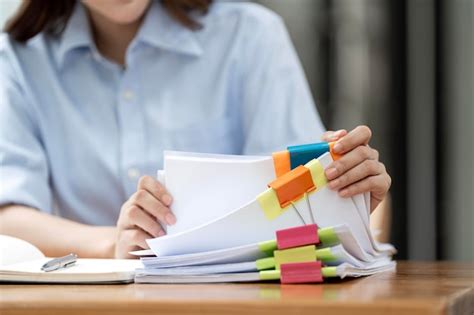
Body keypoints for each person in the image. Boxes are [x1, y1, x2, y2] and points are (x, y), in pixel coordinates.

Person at [0, 0, 391, 258]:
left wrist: (347, 198)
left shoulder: (250, 36)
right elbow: (8, 215)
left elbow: (305, 195)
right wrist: (112, 243)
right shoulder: (18, 59)